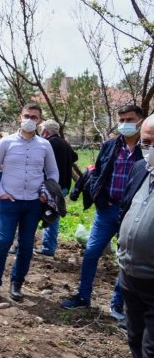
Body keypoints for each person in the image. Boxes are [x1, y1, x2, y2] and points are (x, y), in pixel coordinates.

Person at [61, 105, 144, 321]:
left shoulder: (147, 149)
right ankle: (83, 296)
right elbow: (97, 170)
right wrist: (98, 196)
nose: (125, 123)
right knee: (91, 253)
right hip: (107, 209)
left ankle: (118, 303)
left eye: (130, 119)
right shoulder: (110, 146)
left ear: (141, 121)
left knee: (125, 259)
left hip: (133, 213)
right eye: (122, 119)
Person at [0, 103, 59, 307]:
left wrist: (46, 193)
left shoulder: (45, 145)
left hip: (34, 203)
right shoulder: (6, 143)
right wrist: (0, 192)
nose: (29, 120)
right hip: (9, 201)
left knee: (26, 245)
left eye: (34, 117)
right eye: (27, 116)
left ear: (40, 121)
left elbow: (52, 172)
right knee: (3, 241)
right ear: (20, 117)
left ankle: (17, 283)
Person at [106, 114, 154, 358]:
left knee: (153, 350)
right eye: (147, 142)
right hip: (130, 276)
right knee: (135, 339)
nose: (150, 149)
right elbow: (126, 210)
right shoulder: (140, 169)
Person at [36, 120, 78, 258]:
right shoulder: (64, 143)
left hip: (51, 186)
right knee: (53, 215)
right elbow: (75, 156)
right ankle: (49, 247)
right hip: (63, 186)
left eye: (41, 130)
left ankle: (29, 245)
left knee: (41, 214)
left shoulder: (49, 143)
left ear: (46, 131)